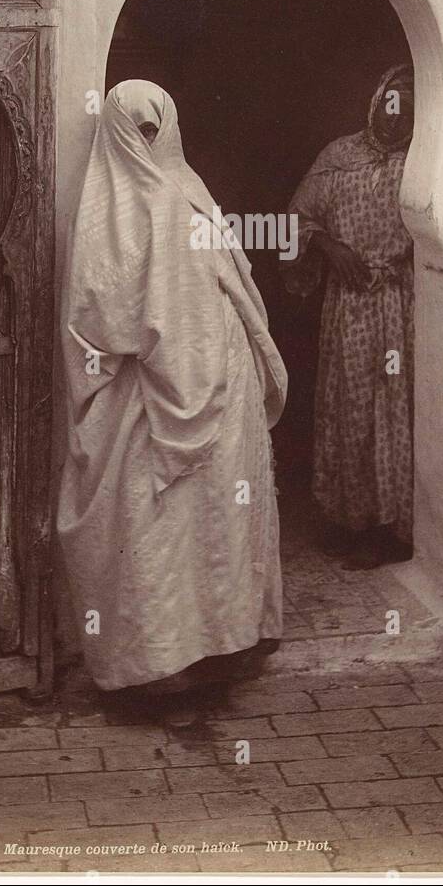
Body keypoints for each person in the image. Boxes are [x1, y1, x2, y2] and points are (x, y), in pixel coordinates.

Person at [57, 80, 287, 718]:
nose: (145, 142)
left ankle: (223, 648)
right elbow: (97, 315)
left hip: (222, 384)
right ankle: (154, 669)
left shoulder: (188, 188)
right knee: (152, 528)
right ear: (115, 132)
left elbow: (229, 274)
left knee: (217, 516)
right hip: (144, 396)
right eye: (135, 130)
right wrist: (162, 339)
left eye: (154, 129)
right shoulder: (108, 210)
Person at [282, 64, 414, 570]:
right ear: (376, 101)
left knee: (392, 413)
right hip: (349, 309)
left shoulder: (421, 160)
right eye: (389, 102)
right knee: (350, 407)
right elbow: (295, 217)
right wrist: (327, 245)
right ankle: (346, 518)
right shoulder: (340, 157)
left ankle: (389, 528)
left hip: (399, 305)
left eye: (405, 106)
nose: (395, 116)